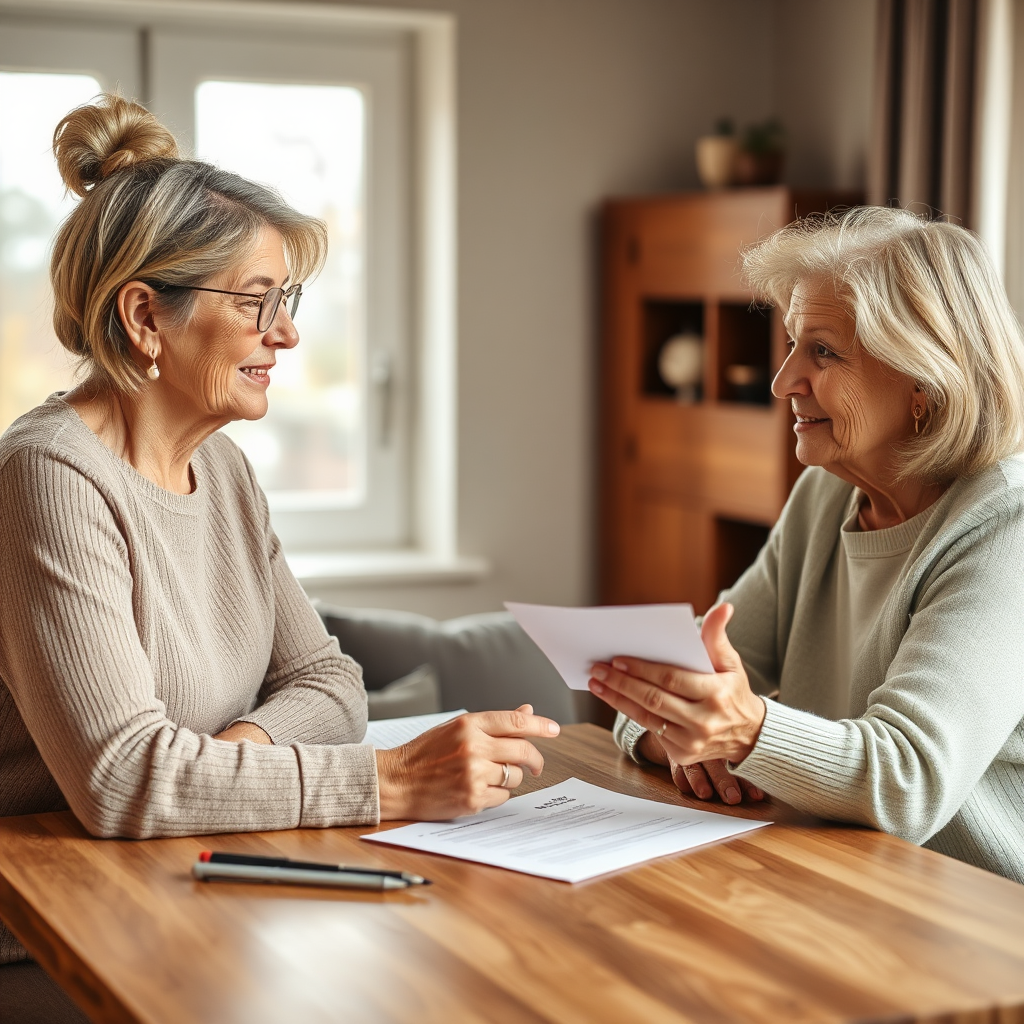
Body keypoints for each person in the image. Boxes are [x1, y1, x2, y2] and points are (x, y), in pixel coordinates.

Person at [0, 94, 560, 982]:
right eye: (260, 302)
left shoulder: (221, 471)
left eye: (287, 300)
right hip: (53, 940)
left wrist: (229, 760)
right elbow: (123, 783)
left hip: (189, 885)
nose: (288, 334)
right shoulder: (48, 477)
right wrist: (396, 782)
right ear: (146, 318)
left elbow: (332, 683)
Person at [595, 206, 1024, 884]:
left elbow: (907, 781)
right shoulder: (826, 493)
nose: (783, 381)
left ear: (924, 382)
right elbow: (711, 680)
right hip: (844, 878)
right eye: (792, 344)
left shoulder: (1008, 530)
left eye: (822, 351)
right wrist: (678, 733)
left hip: (978, 919)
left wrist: (737, 732)